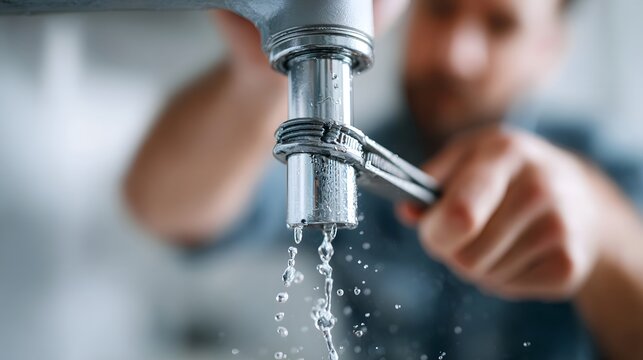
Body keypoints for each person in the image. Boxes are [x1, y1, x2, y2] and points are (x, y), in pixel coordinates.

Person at [125, 0, 643, 358]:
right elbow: (167, 208)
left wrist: (603, 236)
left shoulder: (613, 174)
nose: (455, 56)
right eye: (441, 9)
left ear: (549, 49)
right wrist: (260, 73)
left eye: (500, 24)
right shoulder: (337, 154)